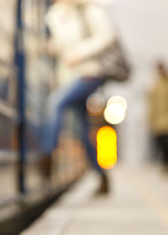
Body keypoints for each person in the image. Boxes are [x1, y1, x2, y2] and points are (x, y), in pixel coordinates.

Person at [41, 0, 118, 194]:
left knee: (55, 103)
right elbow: (63, 44)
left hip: (89, 73)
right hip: (69, 77)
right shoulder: (56, 14)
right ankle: (102, 177)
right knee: (81, 131)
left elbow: (108, 35)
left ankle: (48, 155)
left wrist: (80, 52)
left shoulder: (88, 8)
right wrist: (53, 47)